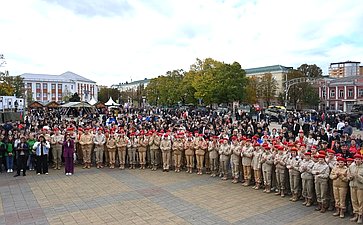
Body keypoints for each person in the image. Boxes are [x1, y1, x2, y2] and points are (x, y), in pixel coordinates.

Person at [347, 154, 363, 223]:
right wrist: (350, 177)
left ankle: (360, 216)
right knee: (354, 201)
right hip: (352, 186)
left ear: (361, 160)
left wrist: (358, 176)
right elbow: (348, 175)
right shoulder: (351, 166)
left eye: (359, 159)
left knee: (360, 202)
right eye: (356, 159)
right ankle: (355, 214)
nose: (357, 160)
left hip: (360, 187)